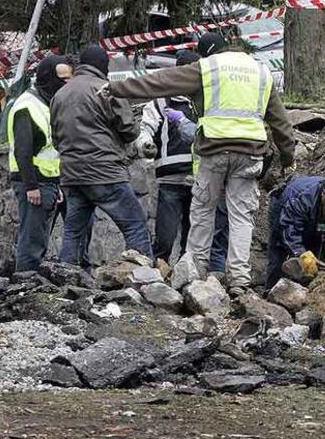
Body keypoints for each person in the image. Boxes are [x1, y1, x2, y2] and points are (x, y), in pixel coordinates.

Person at [101, 32, 295, 296]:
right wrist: (287, 157)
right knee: (241, 216)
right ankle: (239, 278)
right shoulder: (259, 71)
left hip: (214, 150)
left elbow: (161, 82)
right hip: (250, 153)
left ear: (206, 53)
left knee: (203, 210)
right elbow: (280, 121)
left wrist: (117, 88)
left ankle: (195, 272)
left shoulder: (208, 67)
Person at [50, 44, 153, 265]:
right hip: (106, 174)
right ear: (102, 65)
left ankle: (65, 281)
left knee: (73, 233)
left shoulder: (59, 95)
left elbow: (56, 139)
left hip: (73, 176)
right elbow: (130, 130)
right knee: (134, 225)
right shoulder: (105, 89)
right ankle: (147, 283)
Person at [136, 49, 228, 275]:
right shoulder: (161, 100)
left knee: (193, 235)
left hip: (200, 177)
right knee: (165, 236)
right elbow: (146, 127)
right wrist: (145, 144)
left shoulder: (206, 101)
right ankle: (159, 273)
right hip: (170, 178)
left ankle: (186, 277)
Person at [8, 54, 72, 271]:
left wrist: (57, 183)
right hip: (34, 183)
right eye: (63, 79)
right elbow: (23, 151)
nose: (67, 84)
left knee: (40, 240)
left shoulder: (45, 104)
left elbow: (50, 150)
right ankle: (23, 289)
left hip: (49, 183)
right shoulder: (27, 106)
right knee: (32, 242)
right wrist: (32, 186)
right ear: (48, 78)